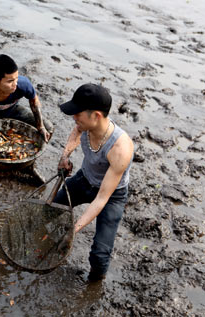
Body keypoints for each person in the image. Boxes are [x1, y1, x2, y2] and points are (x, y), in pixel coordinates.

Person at [54, 83, 134, 281]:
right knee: (53, 208)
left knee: (100, 253)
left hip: (111, 195)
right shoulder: (85, 124)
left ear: (96, 115)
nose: (74, 118)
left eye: (78, 114)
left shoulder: (120, 148)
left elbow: (101, 199)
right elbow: (75, 132)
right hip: (84, 179)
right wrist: (65, 156)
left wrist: (75, 229)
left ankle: (95, 283)